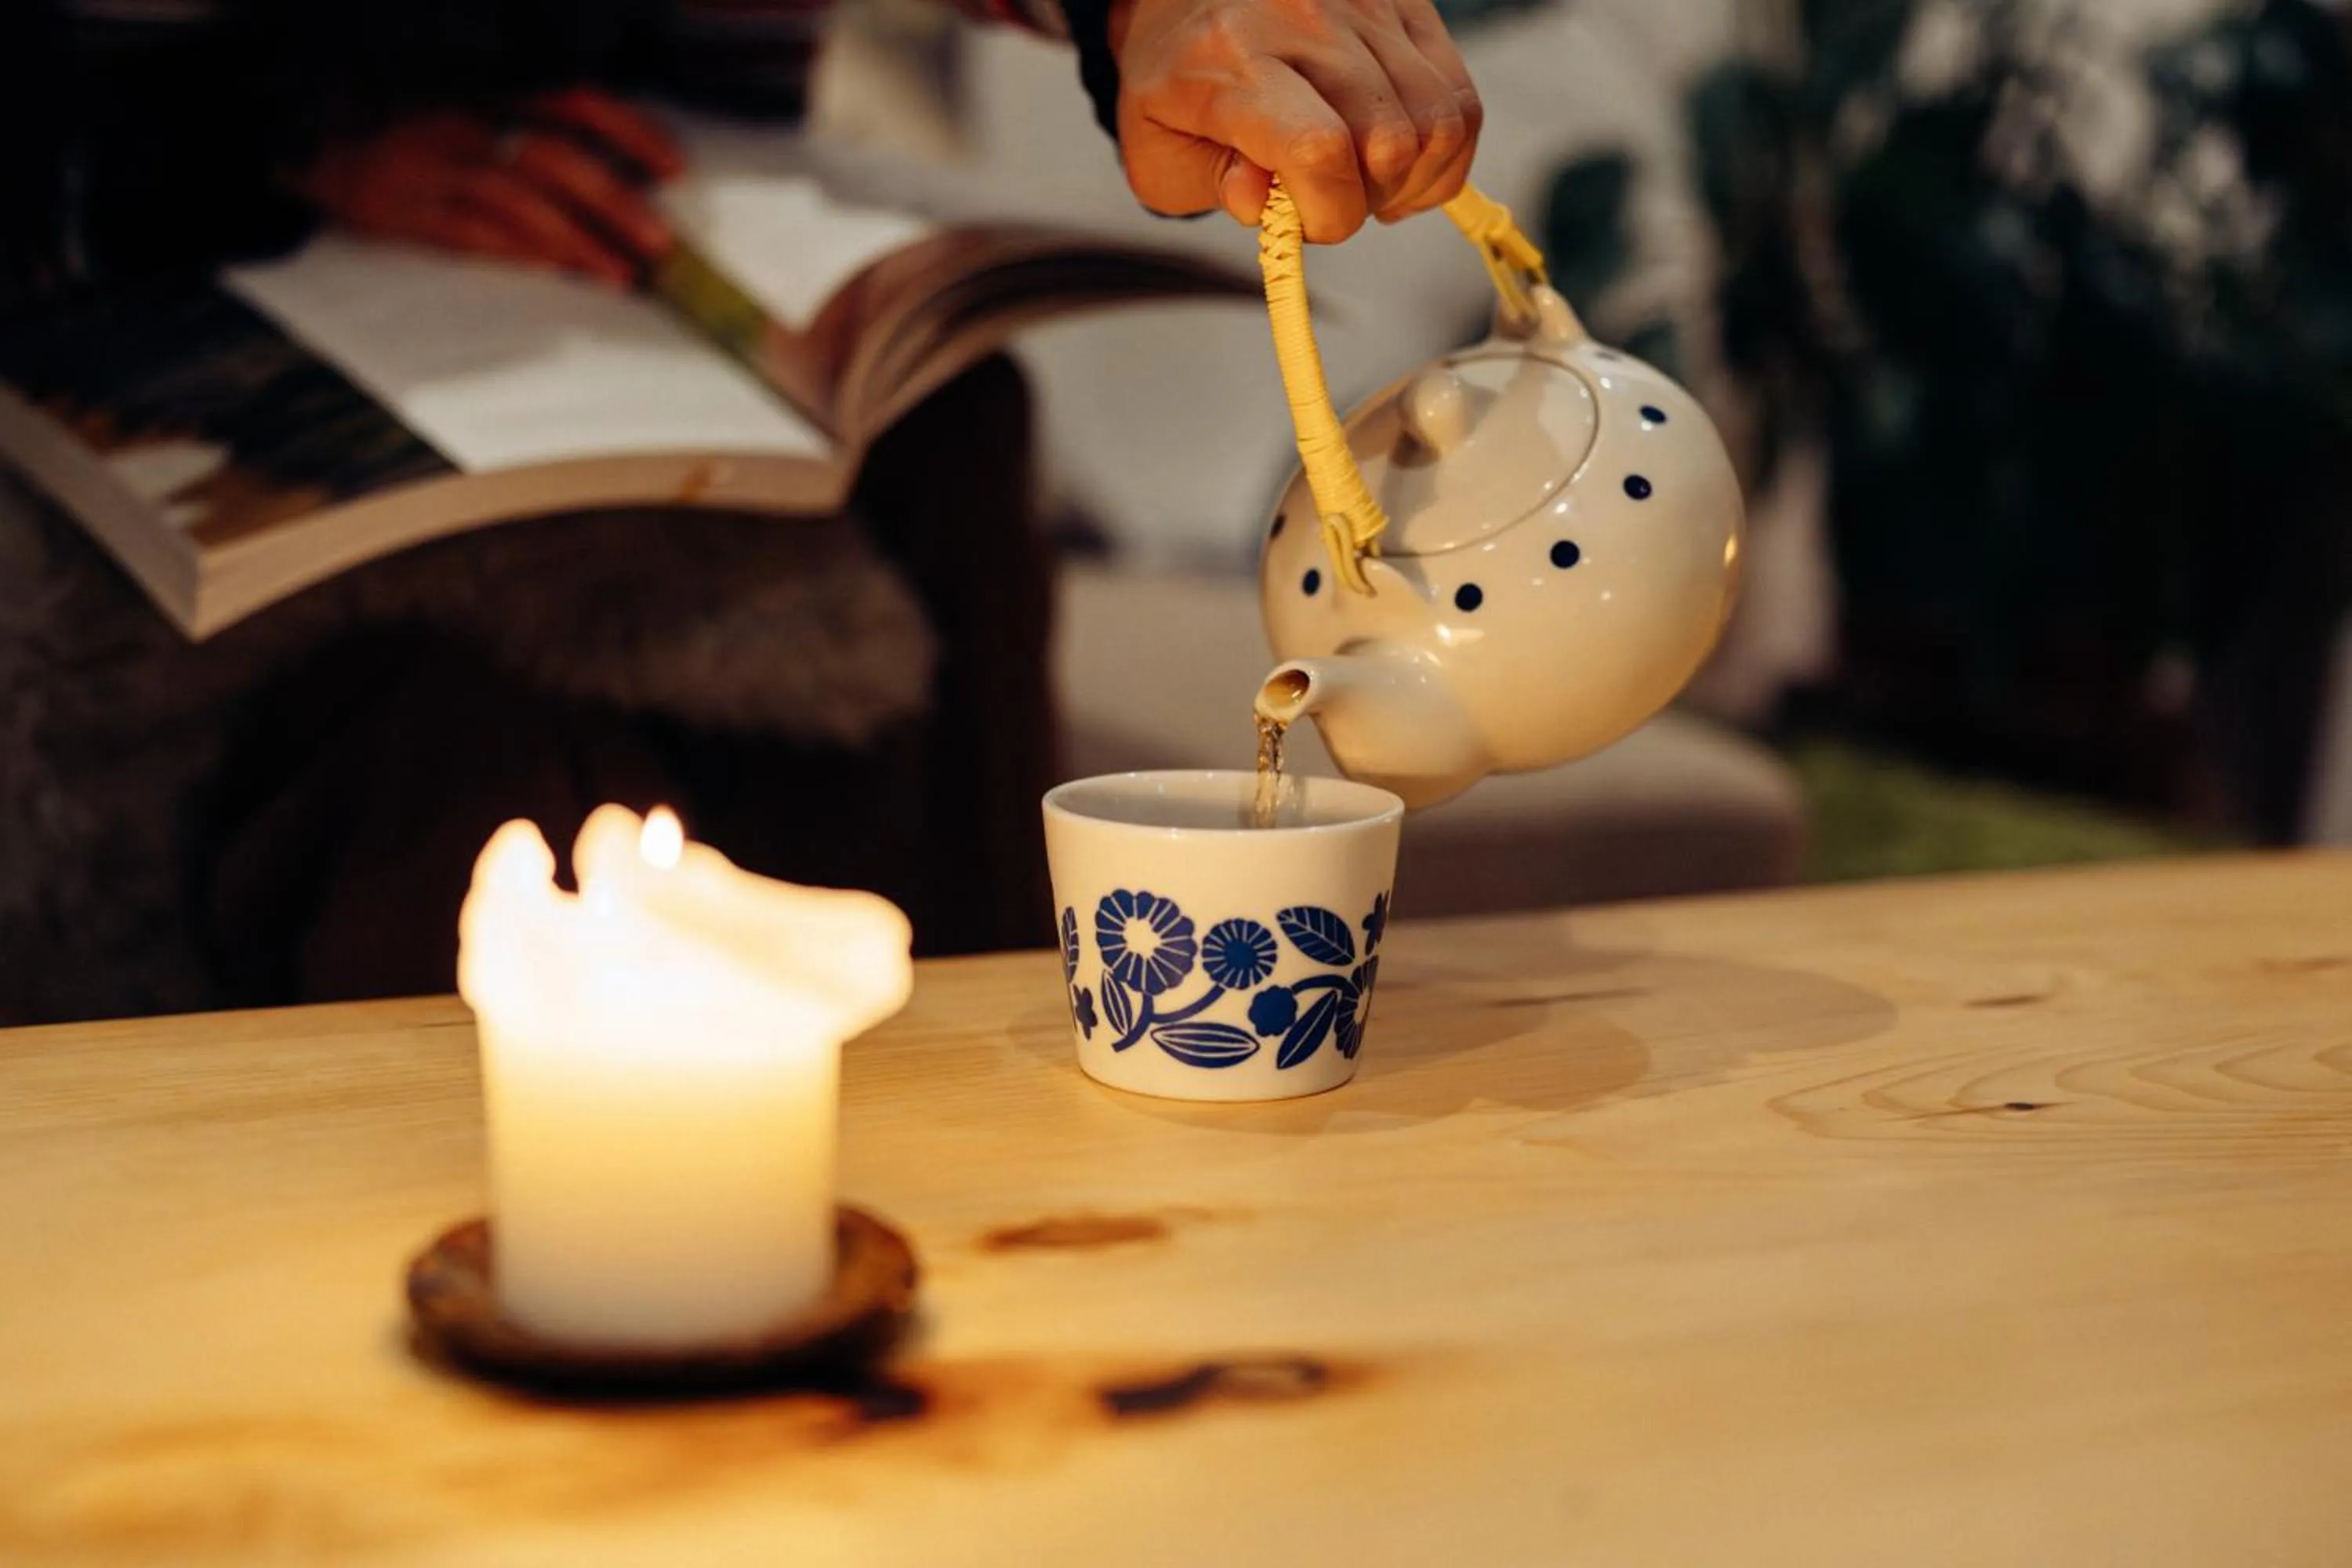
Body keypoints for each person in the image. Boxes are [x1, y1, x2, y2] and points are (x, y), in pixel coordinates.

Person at [0, 0, 1488, 1023]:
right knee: (443, 764)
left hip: (669, 255)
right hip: (132, 331)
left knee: (950, 429)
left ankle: (984, 1166)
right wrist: (244, 165)